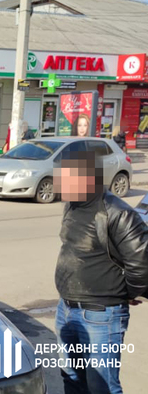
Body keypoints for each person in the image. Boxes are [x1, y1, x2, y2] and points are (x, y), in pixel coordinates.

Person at [53, 149, 148, 394]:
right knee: (71, 377)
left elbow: (141, 264)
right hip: (65, 309)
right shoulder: (72, 205)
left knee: (102, 386)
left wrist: (124, 293)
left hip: (101, 316)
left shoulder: (118, 212)